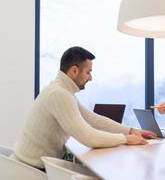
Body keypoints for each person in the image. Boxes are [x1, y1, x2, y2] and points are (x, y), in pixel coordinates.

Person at [11, 46, 157, 169]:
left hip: (29, 166)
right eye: (88, 72)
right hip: (31, 171)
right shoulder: (59, 94)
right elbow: (89, 137)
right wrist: (125, 139)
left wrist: (132, 131)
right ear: (74, 71)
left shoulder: (61, 91)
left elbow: (93, 120)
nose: (91, 78)